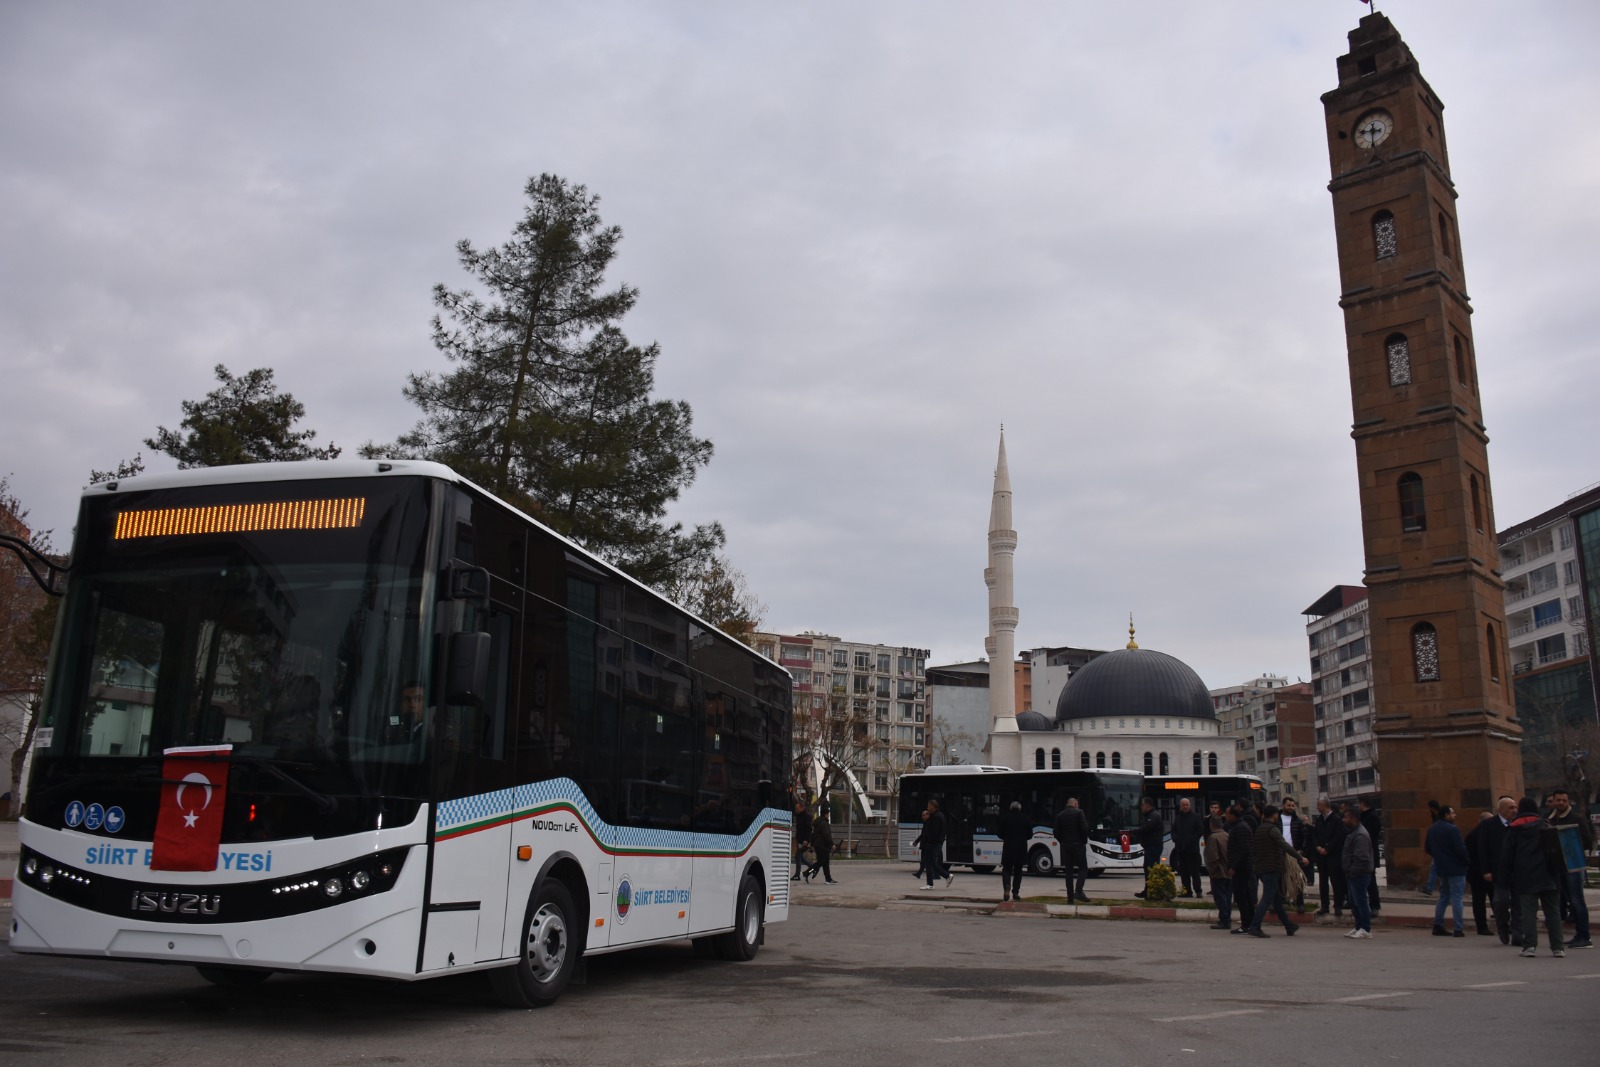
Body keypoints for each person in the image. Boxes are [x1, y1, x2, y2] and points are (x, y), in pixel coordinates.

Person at [1498, 796, 1564, 958]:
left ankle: (1529, 946)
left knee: (1527, 912)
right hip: (1549, 875)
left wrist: (1504, 878)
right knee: (1553, 912)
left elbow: (1506, 856)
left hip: (1525, 875)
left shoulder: (1514, 829)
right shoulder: (1546, 825)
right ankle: (1557, 947)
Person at [1246, 804, 1310, 937]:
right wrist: (1300, 858)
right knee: (1267, 898)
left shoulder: (1259, 829)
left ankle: (1289, 925)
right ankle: (1254, 926)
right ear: (1274, 815)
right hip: (1271, 868)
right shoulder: (1272, 829)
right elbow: (1284, 845)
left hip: (1261, 867)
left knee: (1276, 899)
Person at [1546, 789, 1593, 949]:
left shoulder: (1577, 819)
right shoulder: (1550, 819)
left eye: (1563, 801)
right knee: (1570, 901)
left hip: (1574, 864)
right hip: (1559, 866)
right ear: (1553, 801)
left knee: (1577, 900)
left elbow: (1587, 841)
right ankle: (1579, 935)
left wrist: (1568, 843)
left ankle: (1584, 936)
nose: (1560, 803)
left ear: (1568, 802)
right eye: (1557, 800)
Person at [1425, 804, 1469, 937]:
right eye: (1452, 813)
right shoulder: (1452, 829)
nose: (1454, 815)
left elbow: (1427, 847)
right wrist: (1467, 861)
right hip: (1456, 867)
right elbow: (1460, 849)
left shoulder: (1432, 829)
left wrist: (1439, 856)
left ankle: (1438, 925)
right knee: (1457, 897)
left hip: (1441, 867)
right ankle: (1458, 928)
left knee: (1443, 897)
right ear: (1446, 815)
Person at [1480, 795, 1518, 945]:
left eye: (1515, 807)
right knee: (1501, 902)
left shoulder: (1518, 824)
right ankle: (1502, 926)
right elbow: (1483, 849)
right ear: (1501, 810)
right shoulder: (1489, 825)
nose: (1514, 810)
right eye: (1510, 808)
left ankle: (1517, 933)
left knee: (1518, 903)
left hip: (1517, 871)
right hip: (1498, 871)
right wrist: (1486, 870)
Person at [1342, 807, 1375, 939]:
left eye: (1346, 817)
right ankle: (1358, 927)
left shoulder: (1360, 834)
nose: (1344, 820)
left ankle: (1365, 929)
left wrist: (1352, 871)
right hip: (1353, 874)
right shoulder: (1354, 832)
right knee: (1354, 902)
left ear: (1353, 818)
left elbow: (1362, 858)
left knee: (1360, 902)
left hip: (1359, 874)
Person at [1313, 795, 1348, 919]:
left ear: (1326, 805)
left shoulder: (1336, 820)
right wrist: (1317, 847)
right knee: (1323, 882)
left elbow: (1339, 837)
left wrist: (1327, 849)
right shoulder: (1319, 820)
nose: (1317, 807)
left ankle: (1338, 906)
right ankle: (1324, 905)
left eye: (1319, 805)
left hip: (1333, 856)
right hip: (1321, 857)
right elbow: (1315, 835)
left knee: (1336, 881)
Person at [1226, 803, 1258, 934]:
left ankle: (1246, 924)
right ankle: (1249, 922)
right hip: (1242, 867)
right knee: (1244, 896)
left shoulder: (1240, 828)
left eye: (1228, 814)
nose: (1226, 816)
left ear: (1234, 815)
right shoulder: (1238, 826)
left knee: (1242, 896)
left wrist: (1233, 867)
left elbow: (1243, 850)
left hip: (1242, 868)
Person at [1053, 797, 1090, 903]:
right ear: (1074, 804)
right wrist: (1083, 841)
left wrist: (1063, 841)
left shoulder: (1060, 815)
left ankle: (1070, 897)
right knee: (1083, 868)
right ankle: (1078, 891)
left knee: (1068, 871)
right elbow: (1084, 828)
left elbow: (1056, 832)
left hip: (1066, 846)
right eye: (1077, 803)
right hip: (1078, 845)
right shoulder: (1079, 813)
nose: (1078, 805)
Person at [1464, 811, 1495, 936]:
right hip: (1479, 873)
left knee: (1492, 900)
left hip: (1481, 872)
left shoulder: (1478, 834)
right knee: (1481, 901)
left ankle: (1495, 925)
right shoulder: (1477, 835)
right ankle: (1482, 926)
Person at [1279, 798, 1312, 912]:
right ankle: (1282, 902)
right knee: (1281, 879)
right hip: (1281, 853)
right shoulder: (1278, 819)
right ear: (1283, 805)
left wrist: (1301, 850)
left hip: (1295, 854)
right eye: (1289, 805)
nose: (1291, 808)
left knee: (1297, 879)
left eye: (1293, 806)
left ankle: (1300, 903)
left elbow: (1305, 837)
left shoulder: (1297, 821)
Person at [1170, 797, 1206, 898]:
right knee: (1184, 872)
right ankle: (1187, 891)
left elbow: (1200, 831)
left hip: (1192, 850)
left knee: (1195, 872)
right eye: (1183, 805)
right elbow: (1173, 831)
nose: (1185, 807)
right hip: (1181, 850)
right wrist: (1176, 839)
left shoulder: (1196, 817)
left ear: (1190, 806)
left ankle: (1198, 891)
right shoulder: (1178, 818)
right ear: (1180, 806)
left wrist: (1191, 839)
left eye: (1187, 805)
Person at [998, 801, 1031, 902]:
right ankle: (1015, 892)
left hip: (1008, 847)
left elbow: (999, 833)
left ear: (1010, 808)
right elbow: (1030, 835)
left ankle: (1007, 886)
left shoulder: (1005, 818)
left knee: (1007, 869)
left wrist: (1007, 837)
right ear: (1020, 808)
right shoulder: (1025, 818)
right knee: (1018, 871)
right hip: (1021, 848)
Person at [1204, 814, 1232, 930]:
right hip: (1228, 872)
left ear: (1212, 825)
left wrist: (1212, 870)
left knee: (1220, 897)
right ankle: (1226, 918)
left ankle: (1224, 919)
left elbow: (1212, 857)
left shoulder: (1213, 838)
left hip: (1218, 872)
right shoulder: (1227, 835)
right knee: (1227, 896)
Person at [1132, 797, 1163, 899]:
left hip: (1154, 846)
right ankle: (1148, 890)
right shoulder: (1149, 815)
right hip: (1149, 846)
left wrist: (1134, 832)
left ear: (1147, 805)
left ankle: (1153, 892)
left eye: (1142, 805)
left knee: (1152, 869)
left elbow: (1146, 829)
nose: (1141, 807)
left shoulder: (1154, 816)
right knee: (1147, 868)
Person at [919, 799, 953, 890]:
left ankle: (947, 876)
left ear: (933, 806)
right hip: (935, 843)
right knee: (930, 864)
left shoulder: (937, 817)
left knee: (931, 863)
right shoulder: (938, 815)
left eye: (929, 806)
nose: (927, 808)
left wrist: (927, 841)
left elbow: (933, 832)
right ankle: (930, 883)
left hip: (933, 844)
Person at [1358, 797, 1383, 915]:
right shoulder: (1364, 816)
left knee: (1370, 880)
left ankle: (1374, 905)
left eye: (1359, 804)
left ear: (1362, 804)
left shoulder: (1372, 817)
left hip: (1369, 853)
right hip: (1365, 852)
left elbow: (1369, 835)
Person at [808, 808, 837, 884]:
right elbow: (826, 835)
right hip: (822, 846)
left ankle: (828, 879)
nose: (829, 816)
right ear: (826, 814)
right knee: (821, 862)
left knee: (825, 863)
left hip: (820, 845)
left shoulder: (819, 822)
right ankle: (807, 872)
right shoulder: (824, 823)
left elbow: (814, 835)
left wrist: (812, 844)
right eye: (828, 814)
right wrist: (832, 844)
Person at [791, 800, 813, 882]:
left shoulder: (806, 816)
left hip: (804, 841)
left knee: (797, 856)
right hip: (799, 839)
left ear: (802, 808)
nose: (796, 810)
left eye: (797, 808)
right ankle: (812, 866)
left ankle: (797, 875)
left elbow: (809, 829)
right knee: (800, 857)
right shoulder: (799, 816)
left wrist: (806, 840)